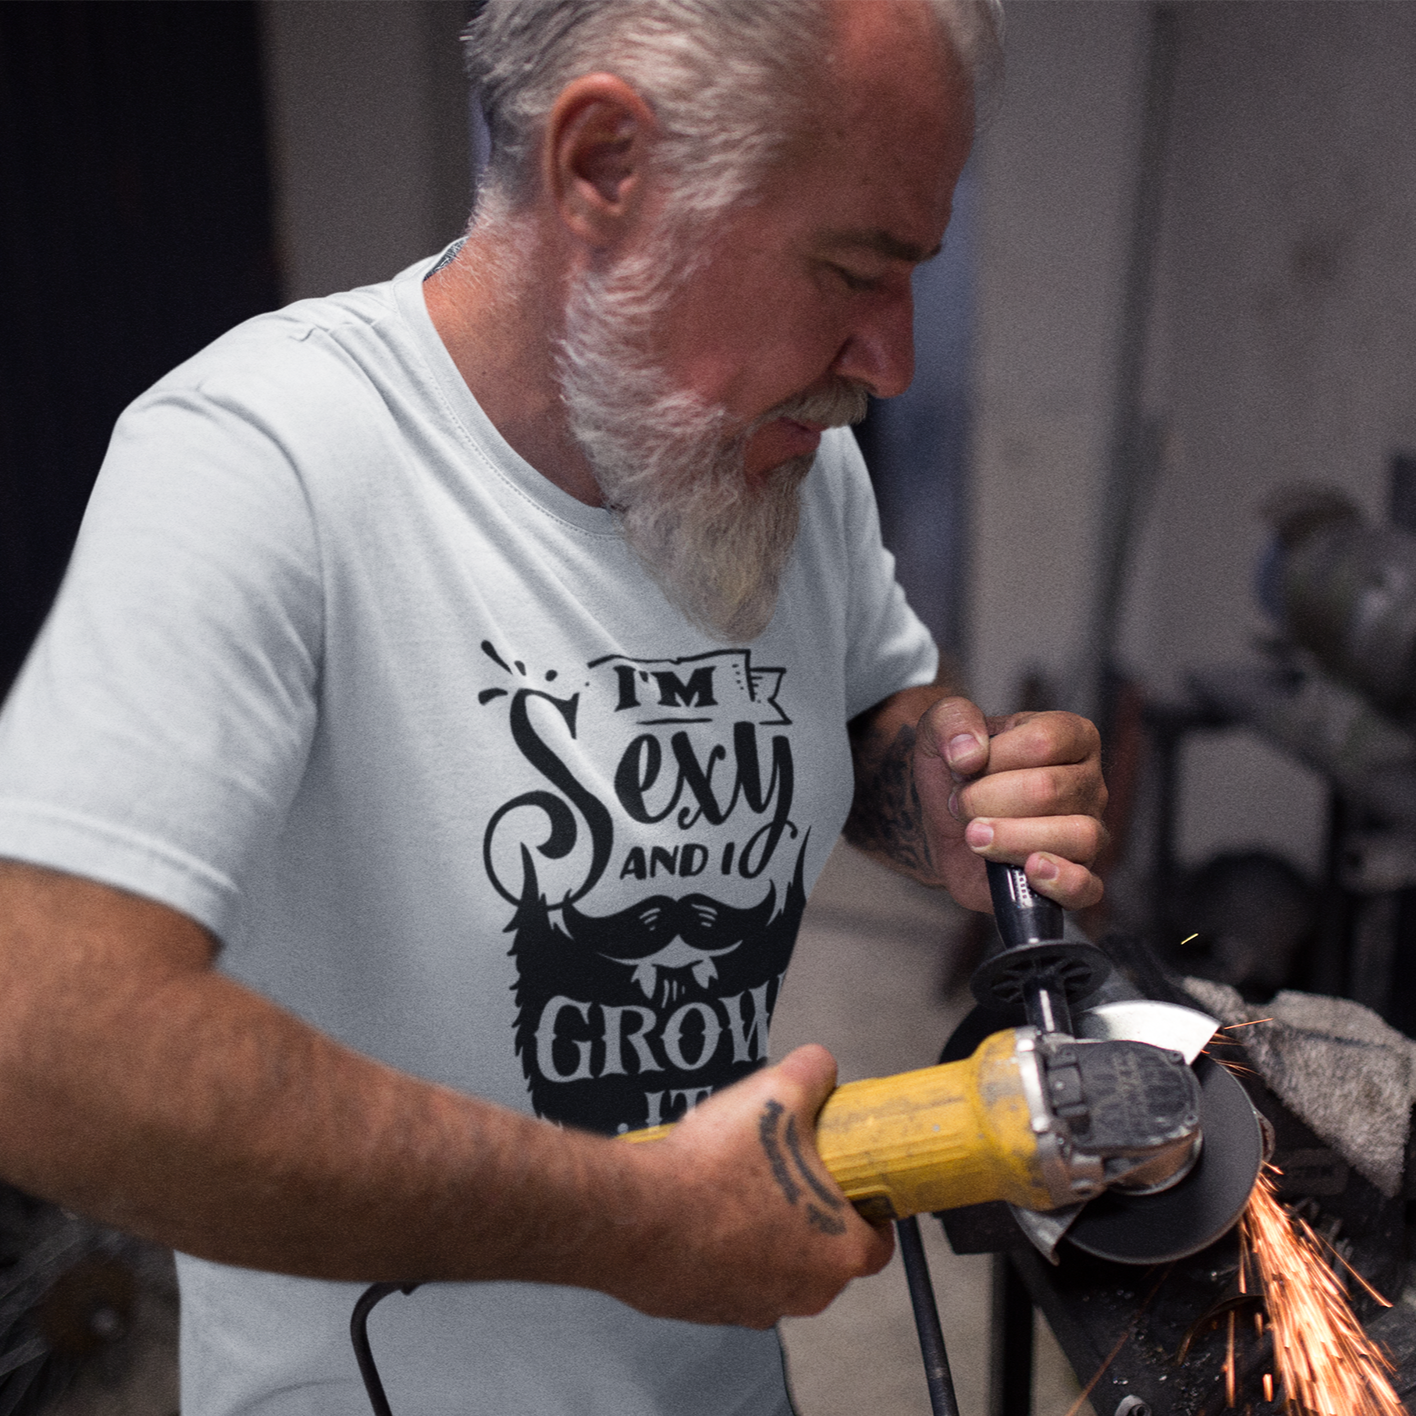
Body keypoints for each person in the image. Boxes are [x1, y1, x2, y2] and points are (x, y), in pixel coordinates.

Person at [0, 1, 1106, 1412]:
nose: (887, 363)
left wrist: (947, 799)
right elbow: (51, 1037)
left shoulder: (789, 457)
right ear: (601, 169)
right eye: (850, 268)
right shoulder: (258, 461)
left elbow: (866, 702)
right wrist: (640, 1226)